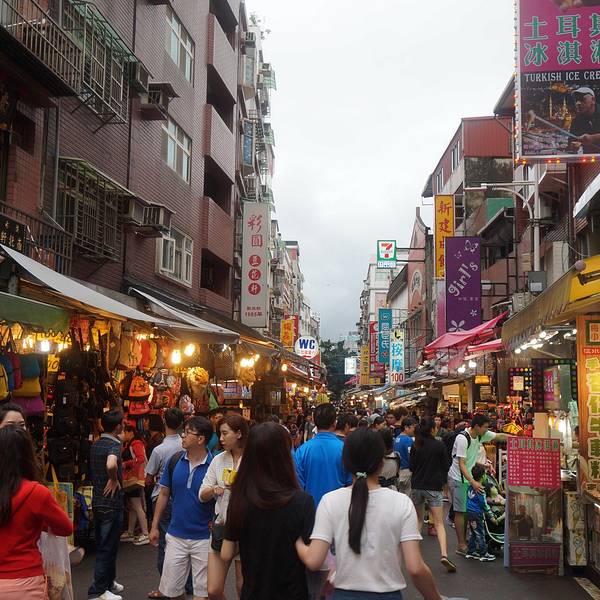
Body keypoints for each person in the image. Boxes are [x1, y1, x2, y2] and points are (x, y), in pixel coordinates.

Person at [296, 428, 445, 600]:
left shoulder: (330, 501)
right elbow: (416, 569)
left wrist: (296, 540)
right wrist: (436, 597)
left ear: (345, 462)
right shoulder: (401, 503)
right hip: (388, 596)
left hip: (343, 595)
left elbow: (314, 560)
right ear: (382, 461)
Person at [222, 422, 316, 600]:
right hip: (292, 593)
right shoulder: (302, 501)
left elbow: (226, 553)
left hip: (253, 592)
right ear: (285, 455)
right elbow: (312, 557)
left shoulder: (240, 498)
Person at [0, 426, 73, 599]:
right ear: (28, 455)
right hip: (26, 580)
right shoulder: (37, 493)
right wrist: (38, 523)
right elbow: (65, 528)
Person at [150, 416, 215, 600]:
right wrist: (154, 526)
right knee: (172, 591)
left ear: (200, 439)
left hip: (204, 538)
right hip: (175, 535)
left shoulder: (214, 465)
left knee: (202, 593)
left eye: (187, 432)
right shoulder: (175, 460)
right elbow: (164, 494)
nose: (183, 436)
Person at [294, 403, 352, 599]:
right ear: (335, 422)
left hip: (310, 520)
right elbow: (349, 484)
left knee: (313, 572)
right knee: (337, 571)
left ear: (314, 421)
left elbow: (298, 487)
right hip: (339, 517)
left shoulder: (303, 450)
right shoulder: (344, 449)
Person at [200, 414, 249, 600]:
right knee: (213, 589)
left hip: (247, 529)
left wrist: (241, 488)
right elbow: (202, 493)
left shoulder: (253, 459)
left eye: (224, 433)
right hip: (222, 528)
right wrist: (213, 489)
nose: (220, 438)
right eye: (219, 433)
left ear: (239, 433)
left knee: (243, 587)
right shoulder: (218, 460)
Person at [447, 414, 508, 556]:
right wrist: (473, 482)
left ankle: (468, 542)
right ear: (476, 426)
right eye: (485, 427)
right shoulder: (462, 438)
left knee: (468, 511)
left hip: (468, 478)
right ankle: (461, 545)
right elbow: (462, 464)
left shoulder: (480, 435)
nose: (487, 430)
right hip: (458, 479)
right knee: (461, 511)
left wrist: (520, 439)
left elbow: (499, 436)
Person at [146, 407, 185, 599]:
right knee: (181, 541)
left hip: (161, 497)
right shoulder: (185, 446)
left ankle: (165, 588)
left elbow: (148, 477)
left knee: (164, 543)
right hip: (180, 498)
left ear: (164, 422)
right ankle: (182, 585)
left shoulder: (159, 450)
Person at [88, 410, 126, 600]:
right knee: (107, 546)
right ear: (118, 427)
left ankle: (109, 583)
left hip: (97, 500)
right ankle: (98, 590)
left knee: (108, 544)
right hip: (111, 502)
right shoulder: (114, 444)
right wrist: (114, 478)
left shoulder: (95, 444)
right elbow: (111, 464)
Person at [409, 418, 455, 573]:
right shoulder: (439, 445)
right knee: (439, 523)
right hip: (434, 487)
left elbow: (412, 466)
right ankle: (444, 555)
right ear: (432, 429)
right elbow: (446, 465)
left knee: (418, 520)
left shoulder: (416, 445)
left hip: (417, 486)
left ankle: (413, 552)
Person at [120, 425, 149, 546]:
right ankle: (130, 531)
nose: (123, 434)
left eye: (125, 432)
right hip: (133, 478)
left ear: (130, 432)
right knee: (132, 506)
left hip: (135, 478)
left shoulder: (135, 443)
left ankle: (145, 533)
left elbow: (140, 459)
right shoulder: (131, 443)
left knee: (137, 506)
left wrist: (125, 464)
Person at [466, 465, 497, 561]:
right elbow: (484, 505)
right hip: (477, 513)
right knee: (480, 533)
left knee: (473, 532)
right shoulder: (481, 490)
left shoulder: (471, 486)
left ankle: (471, 551)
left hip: (469, 512)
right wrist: (491, 517)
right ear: (483, 476)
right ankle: (483, 553)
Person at [570, 87, 600, 153]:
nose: (578, 103)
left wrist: (593, 138)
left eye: (582, 99)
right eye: (576, 100)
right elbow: (571, 142)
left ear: (593, 100)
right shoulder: (576, 121)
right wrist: (573, 146)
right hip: (589, 157)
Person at [394, 417, 417, 496]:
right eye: (413, 427)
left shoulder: (396, 439)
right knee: (408, 496)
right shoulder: (408, 440)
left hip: (398, 471)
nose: (414, 429)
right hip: (407, 471)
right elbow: (410, 456)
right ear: (406, 427)